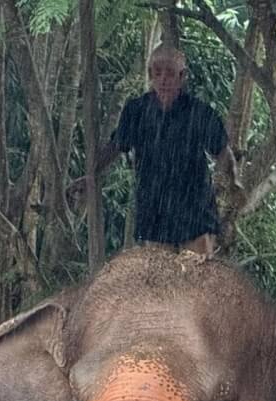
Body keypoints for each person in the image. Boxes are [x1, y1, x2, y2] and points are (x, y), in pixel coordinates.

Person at [69, 45, 242, 256]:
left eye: (170, 73)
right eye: (157, 72)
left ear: (182, 76)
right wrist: (91, 175)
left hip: (195, 209)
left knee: (199, 277)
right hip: (155, 210)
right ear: (150, 75)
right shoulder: (136, 111)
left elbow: (223, 152)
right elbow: (116, 146)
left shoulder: (199, 112)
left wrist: (234, 183)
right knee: (161, 280)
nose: (163, 79)